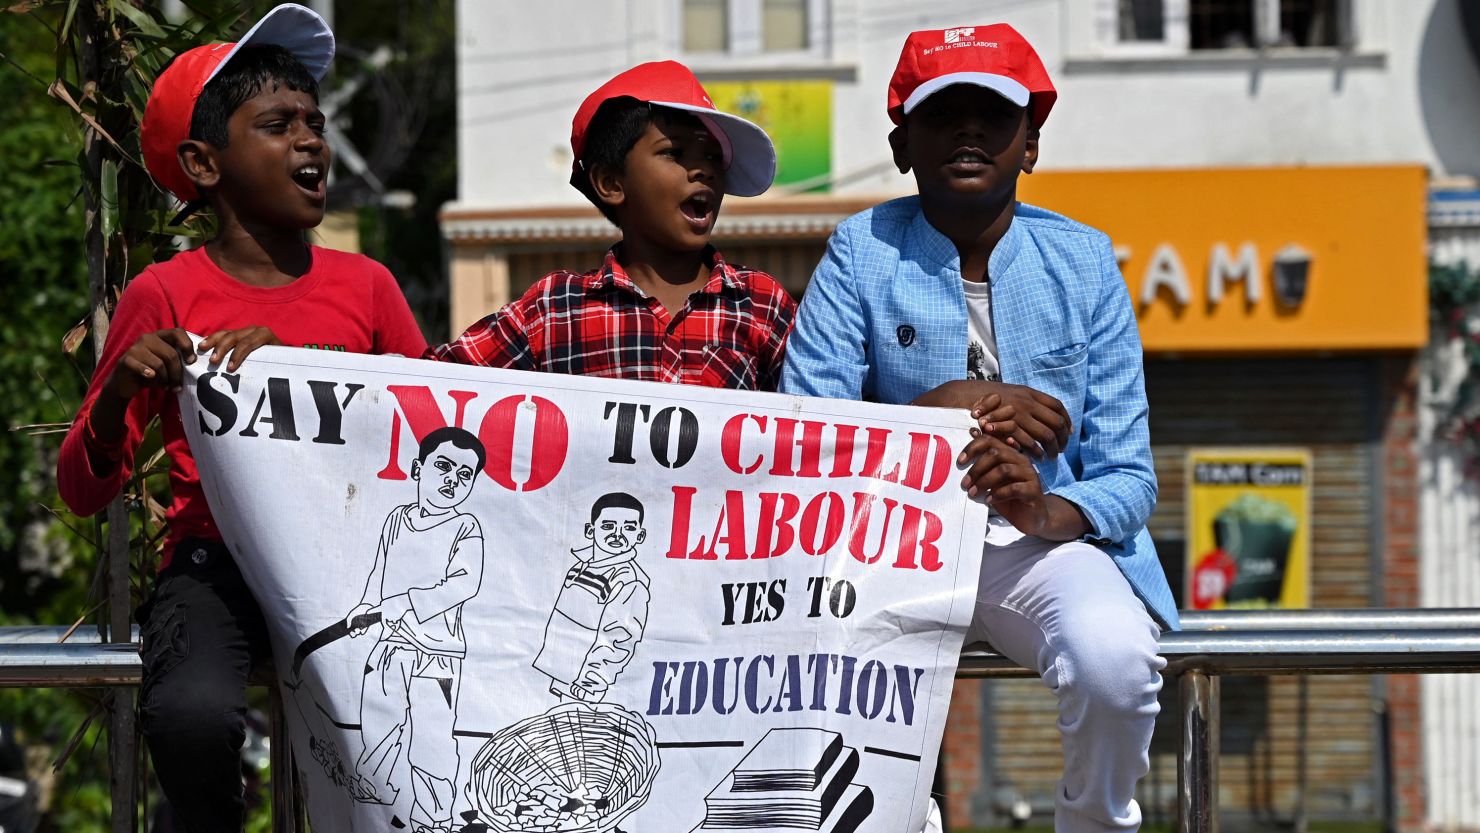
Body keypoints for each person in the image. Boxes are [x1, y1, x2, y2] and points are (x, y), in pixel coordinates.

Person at [779, 24, 1179, 833]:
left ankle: (1094, 823)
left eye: (992, 115)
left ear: (1029, 142)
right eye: (942, 114)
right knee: (829, 692)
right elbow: (802, 437)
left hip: (1040, 547)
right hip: (885, 544)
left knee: (1117, 663)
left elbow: (1130, 475)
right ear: (902, 144)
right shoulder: (858, 251)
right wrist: (944, 406)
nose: (968, 132)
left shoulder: (1086, 260)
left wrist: (1046, 512)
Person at [54, 6, 427, 831]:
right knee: (189, 714)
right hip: (213, 567)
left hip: (356, 564)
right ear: (203, 163)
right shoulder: (164, 294)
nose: (310, 142)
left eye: (314, 124)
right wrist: (119, 389)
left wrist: (298, 366)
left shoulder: (369, 287)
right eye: (277, 124)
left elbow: (428, 430)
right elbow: (82, 488)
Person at [424, 61, 794, 393]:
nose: (705, 170)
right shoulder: (552, 310)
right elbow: (427, 386)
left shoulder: (761, 303)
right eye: (674, 153)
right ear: (611, 184)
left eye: (713, 157)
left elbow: (823, 415)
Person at [342, 427, 486, 832]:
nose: (451, 480)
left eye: (464, 474)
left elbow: (463, 583)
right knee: (378, 721)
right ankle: (374, 795)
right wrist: (366, 609)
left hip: (435, 653)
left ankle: (436, 816)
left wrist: (406, 604)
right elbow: (380, 574)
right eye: (442, 466)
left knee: (432, 739)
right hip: (389, 645)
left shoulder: (465, 528)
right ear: (417, 469)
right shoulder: (396, 520)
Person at [533, 492, 651, 702]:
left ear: (640, 536)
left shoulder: (628, 580)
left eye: (629, 528)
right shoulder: (579, 566)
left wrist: (593, 680)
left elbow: (620, 637)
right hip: (560, 674)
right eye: (608, 526)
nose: (617, 534)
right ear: (590, 530)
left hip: (585, 686)